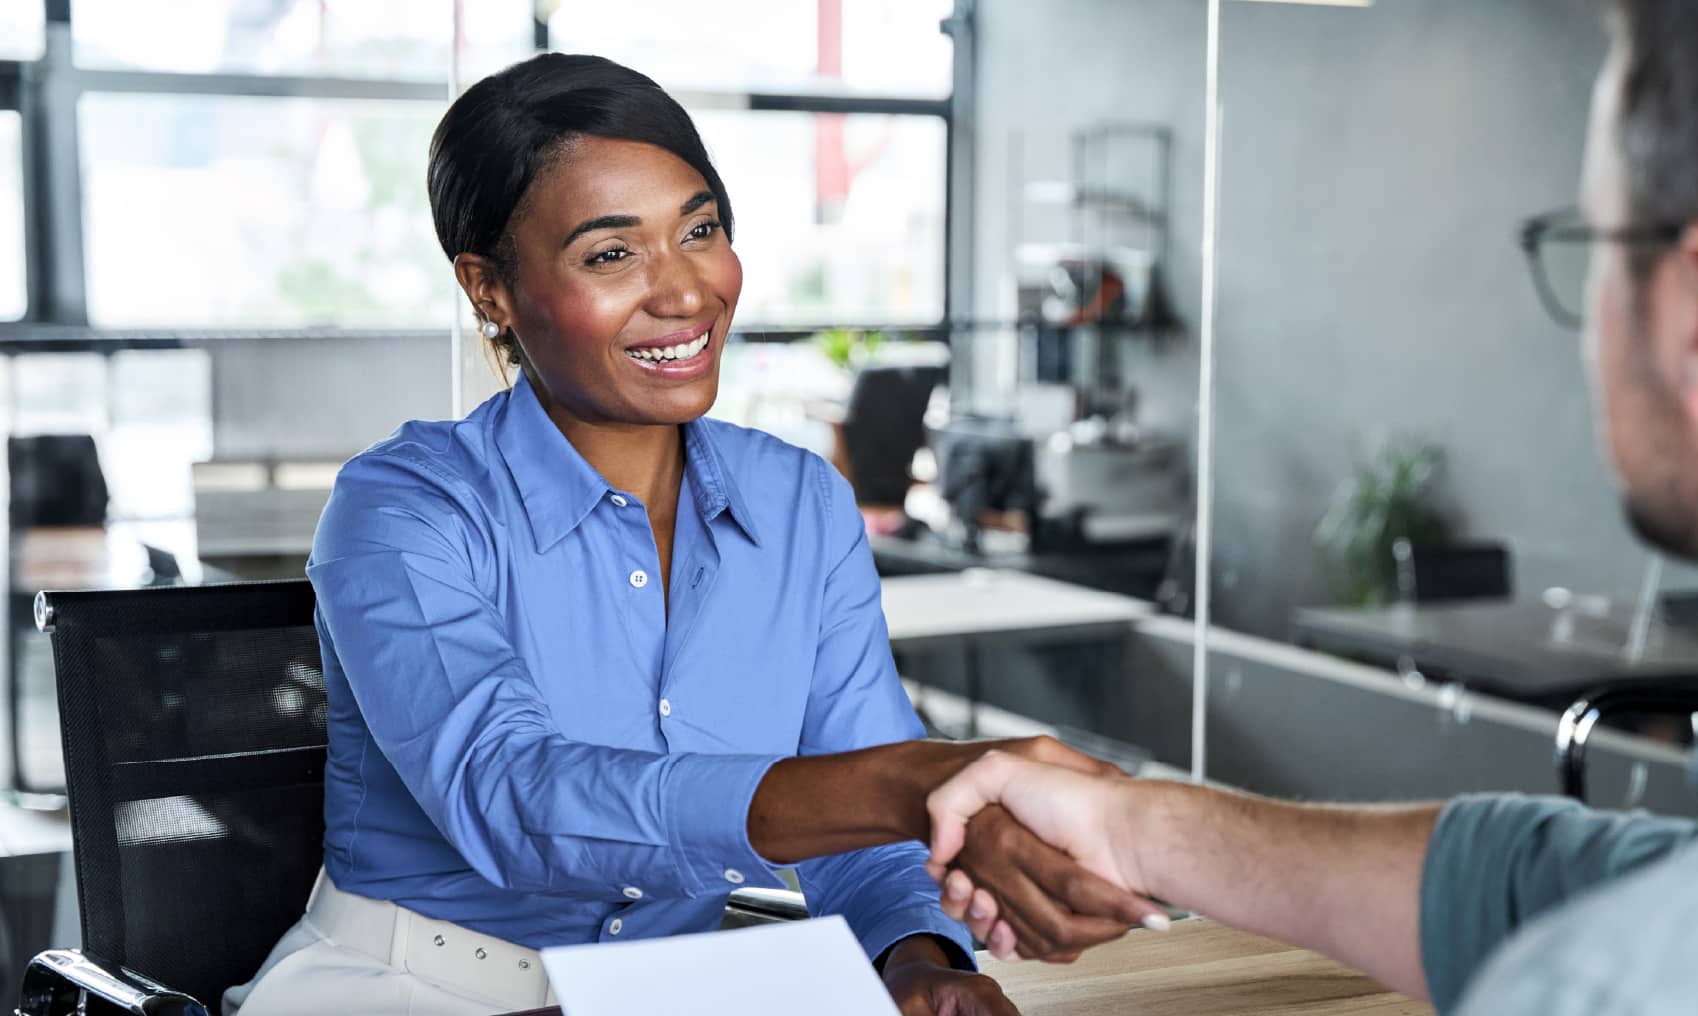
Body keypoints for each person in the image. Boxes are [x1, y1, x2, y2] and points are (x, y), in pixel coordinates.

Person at [926, 0, 1698, 1011]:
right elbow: (1578, 879)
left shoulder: (1625, 982)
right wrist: (1141, 826)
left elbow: (1645, 933)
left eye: (1594, 247)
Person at [226, 53, 1158, 1016]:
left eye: (700, 230)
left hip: (670, 989)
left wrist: (917, 960)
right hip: (404, 987)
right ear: (489, 291)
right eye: (610, 254)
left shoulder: (801, 504)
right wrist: (906, 781)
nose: (683, 293)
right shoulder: (404, 508)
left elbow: (869, 840)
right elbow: (516, 800)